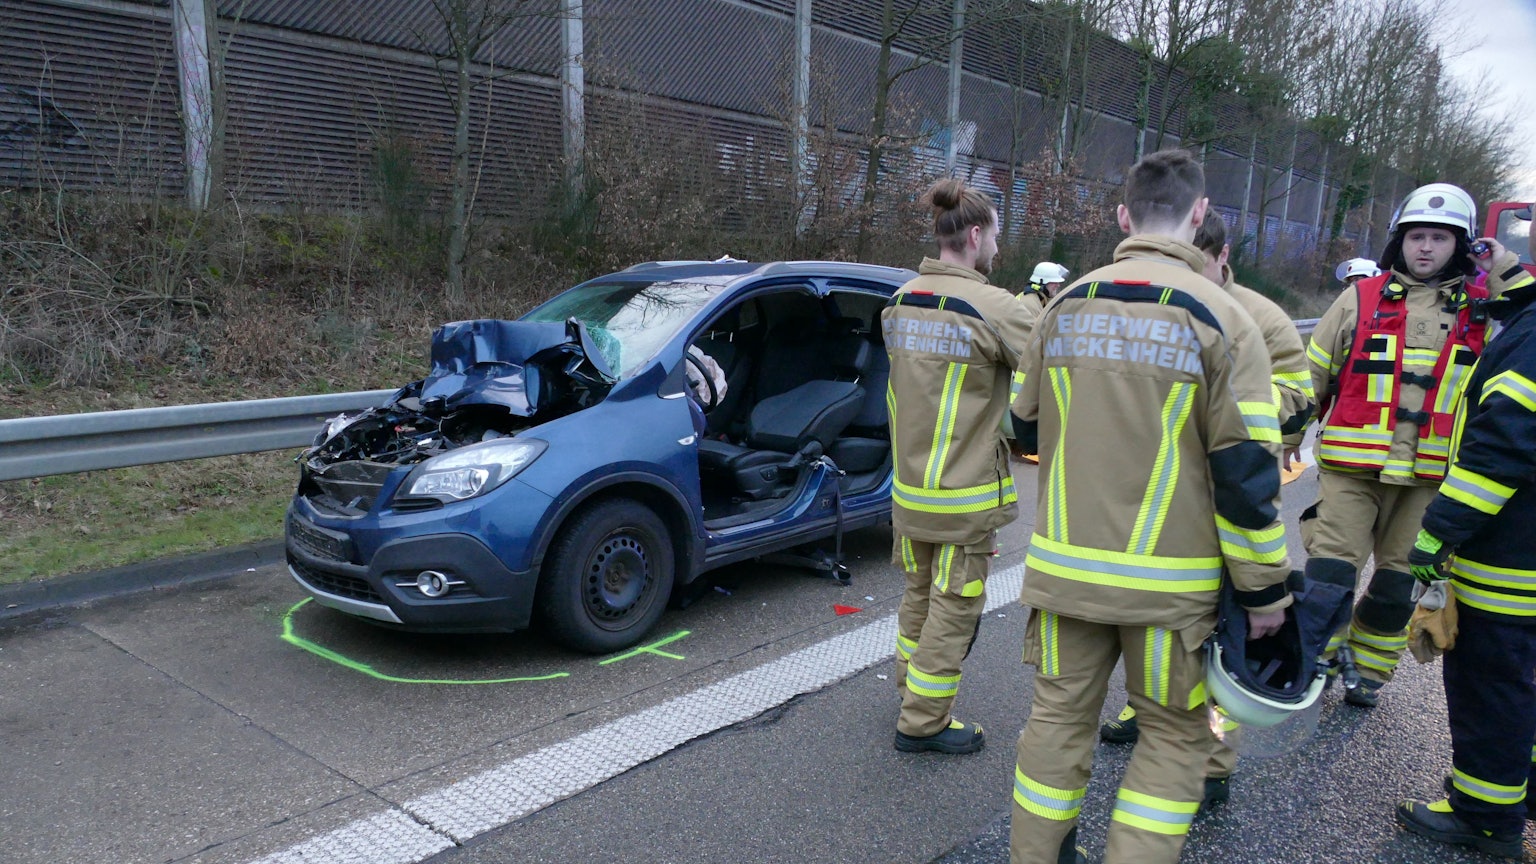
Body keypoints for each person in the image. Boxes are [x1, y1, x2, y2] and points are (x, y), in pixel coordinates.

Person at [1008, 149, 1292, 864]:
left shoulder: (1064, 304)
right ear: (1201, 214)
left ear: (1122, 216)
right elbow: (1247, 477)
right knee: (1173, 734)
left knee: (1057, 722)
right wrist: (1265, 592)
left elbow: (1024, 425)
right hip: (1170, 591)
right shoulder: (1226, 317)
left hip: (1066, 575)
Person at [1096, 209, 1315, 815]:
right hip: (1160, 489)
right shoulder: (1165, 301)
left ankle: (1212, 764)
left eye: (1201, 264)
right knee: (1160, 628)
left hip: (1226, 491)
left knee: (1223, 637)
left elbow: (1300, 399)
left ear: (1222, 258)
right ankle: (1148, 709)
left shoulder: (1260, 319)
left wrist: (1227, 399)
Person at [1301, 183, 1490, 708]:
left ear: (1461, 245)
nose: (1425, 247)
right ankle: (1314, 660)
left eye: (1439, 238)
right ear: (1399, 241)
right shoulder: (1360, 297)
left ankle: (1368, 670)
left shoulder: (1485, 310)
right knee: (1328, 575)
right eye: (1416, 236)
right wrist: (1284, 439)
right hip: (1351, 468)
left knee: (1396, 587)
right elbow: (1311, 373)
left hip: (1430, 478)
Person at [1395, 234, 1536, 858]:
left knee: (1490, 685)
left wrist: (1438, 533)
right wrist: (1503, 268)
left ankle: (1485, 815)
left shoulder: (1531, 343)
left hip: (1512, 560)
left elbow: (1500, 451)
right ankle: (1521, 787)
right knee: (1521, 683)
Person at [882, 178, 1034, 755]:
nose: (997, 246)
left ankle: (909, 691)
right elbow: (1048, 374)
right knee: (955, 605)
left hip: (909, 490)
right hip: (963, 494)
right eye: (994, 235)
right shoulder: (995, 307)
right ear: (974, 235)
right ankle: (923, 721)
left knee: (918, 594)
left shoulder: (900, 301)